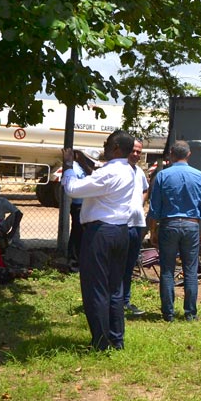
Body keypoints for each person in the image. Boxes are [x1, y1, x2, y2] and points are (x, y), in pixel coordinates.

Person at [61, 130, 135, 350]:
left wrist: (67, 166)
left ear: (116, 148)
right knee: (115, 288)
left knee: (96, 288)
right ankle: (116, 338)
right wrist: (82, 160)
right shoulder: (128, 169)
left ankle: (100, 342)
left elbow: (73, 189)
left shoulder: (110, 173)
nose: (104, 147)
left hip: (101, 233)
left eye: (107, 144)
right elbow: (97, 174)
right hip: (120, 231)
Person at [147, 140, 201, 322]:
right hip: (191, 225)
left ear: (171, 155)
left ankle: (168, 313)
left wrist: (153, 230)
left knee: (167, 270)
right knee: (190, 270)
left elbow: (154, 208)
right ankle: (190, 313)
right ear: (189, 154)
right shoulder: (199, 176)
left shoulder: (162, 176)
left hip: (169, 224)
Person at [123, 138, 149, 316]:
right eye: (133, 150)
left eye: (139, 151)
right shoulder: (119, 169)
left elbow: (146, 189)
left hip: (137, 225)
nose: (136, 154)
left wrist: (140, 203)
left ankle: (125, 301)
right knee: (116, 264)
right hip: (121, 225)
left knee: (129, 265)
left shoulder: (139, 171)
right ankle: (113, 300)